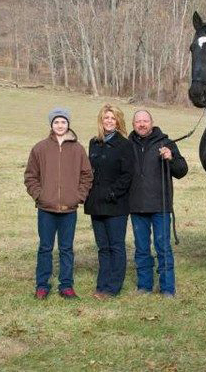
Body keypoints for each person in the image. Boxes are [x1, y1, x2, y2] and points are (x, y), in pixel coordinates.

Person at [24, 108, 93, 300]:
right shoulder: (40, 148)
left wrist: (78, 196)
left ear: (68, 124)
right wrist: (40, 195)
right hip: (46, 209)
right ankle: (42, 285)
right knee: (45, 247)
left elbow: (87, 175)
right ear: (51, 125)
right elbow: (30, 176)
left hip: (69, 209)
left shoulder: (78, 149)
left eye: (63, 122)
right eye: (56, 122)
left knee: (66, 248)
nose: (60, 125)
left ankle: (66, 285)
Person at [128, 110, 188, 298]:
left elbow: (182, 170)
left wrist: (171, 158)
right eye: (138, 121)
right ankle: (144, 286)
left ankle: (167, 288)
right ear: (133, 124)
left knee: (163, 247)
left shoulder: (166, 143)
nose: (142, 124)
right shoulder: (127, 145)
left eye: (145, 121)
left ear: (152, 123)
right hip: (137, 206)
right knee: (141, 249)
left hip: (160, 206)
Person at [84, 104, 133, 299]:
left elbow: (128, 175)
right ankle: (101, 284)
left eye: (113, 118)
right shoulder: (94, 143)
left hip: (116, 204)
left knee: (116, 246)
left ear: (118, 121)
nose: (109, 121)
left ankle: (113, 287)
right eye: (106, 118)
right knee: (102, 247)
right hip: (96, 203)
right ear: (101, 121)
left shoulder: (124, 145)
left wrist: (113, 193)